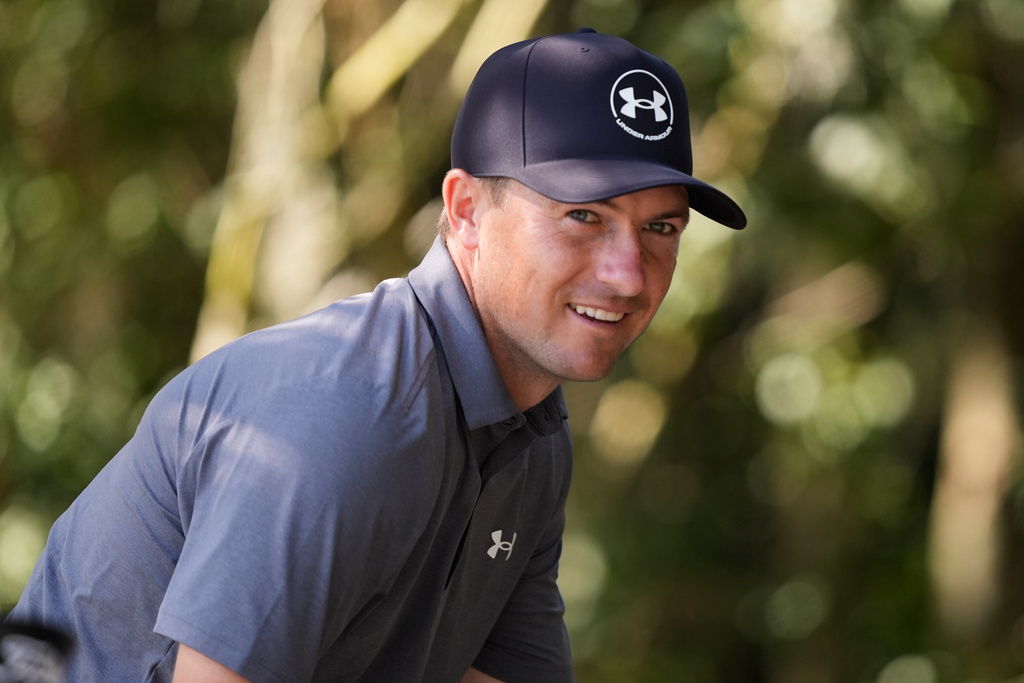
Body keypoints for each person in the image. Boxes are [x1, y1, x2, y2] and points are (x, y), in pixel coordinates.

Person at [4, 28, 745, 683]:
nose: (628, 272)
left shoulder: (532, 436)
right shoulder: (347, 417)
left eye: (662, 229)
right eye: (584, 216)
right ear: (464, 212)